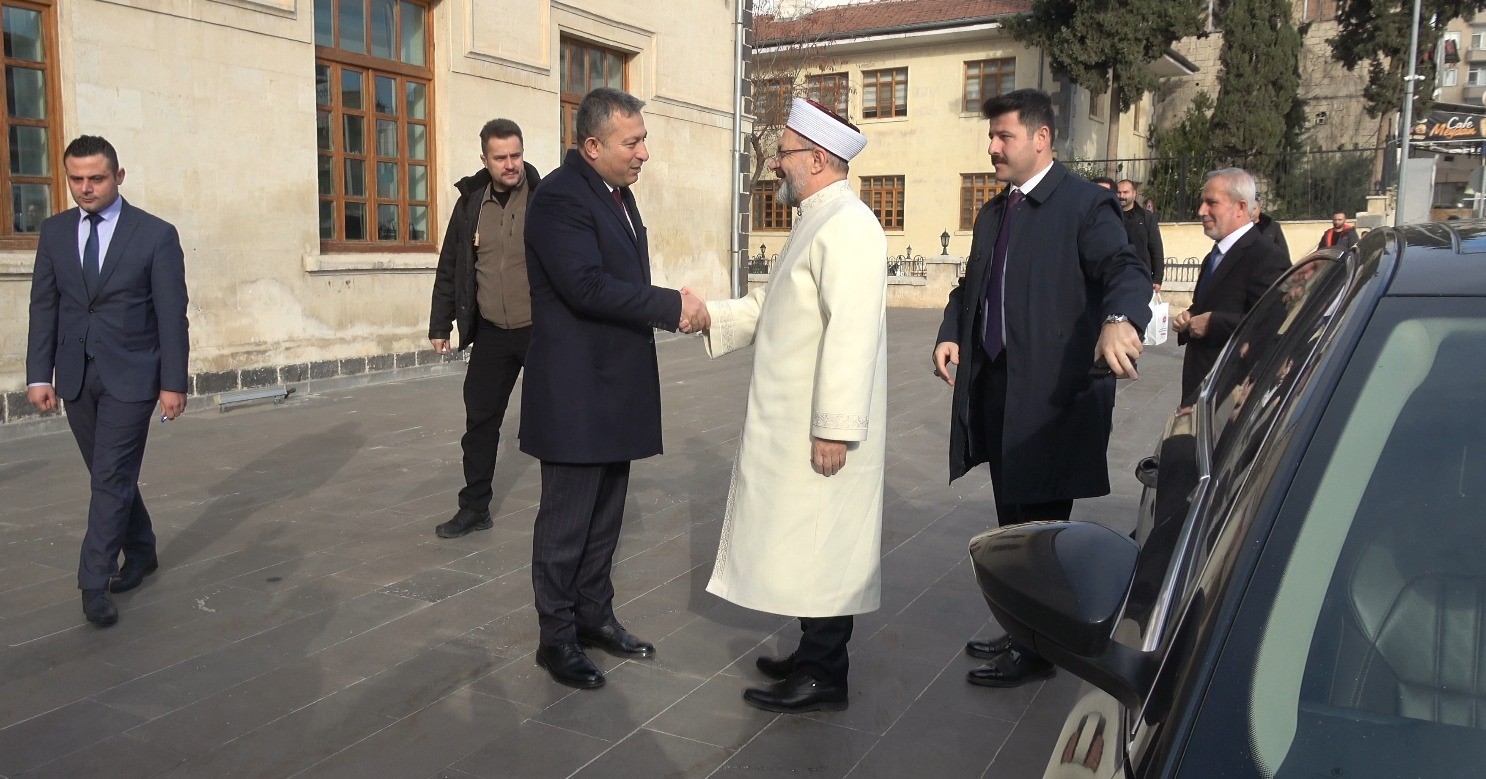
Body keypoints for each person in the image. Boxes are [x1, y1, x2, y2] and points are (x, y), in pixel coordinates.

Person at [931, 89, 1150, 689]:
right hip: (998, 389)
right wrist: (951, 332)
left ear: (1040, 138)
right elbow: (968, 289)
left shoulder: (1084, 206)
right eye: (992, 136)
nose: (993, 148)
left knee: (1043, 536)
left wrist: (1120, 319)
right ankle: (1022, 626)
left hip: (1053, 400)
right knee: (1011, 525)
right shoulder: (995, 212)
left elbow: (1124, 270)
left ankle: (1040, 649)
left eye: (1004, 137)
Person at [697, 98, 887, 714]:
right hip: (797, 419)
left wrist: (835, 427)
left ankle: (826, 673)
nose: (775, 164)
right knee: (808, 540)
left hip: (824, 426)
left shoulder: (849, 225)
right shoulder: (815, 218)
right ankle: (811, 655)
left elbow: (852, 333)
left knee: (827, 544)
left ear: (818, 158)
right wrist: (708, 315)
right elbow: (771, 306)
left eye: (783, 153)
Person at [520, 87, 709, 690]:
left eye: (644, 138)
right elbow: (585, 287)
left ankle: (594, 616)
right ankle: (556, 637)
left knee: (606, 516)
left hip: (615, 385)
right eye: (633, 141)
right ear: (593, 144)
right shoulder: (558, 198)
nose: (644, 152)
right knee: (566, 521)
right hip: (576, 391)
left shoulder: (617, 195)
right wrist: (670, 306)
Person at [26, 135, 188, 627]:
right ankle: (142, 550)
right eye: (76, 179)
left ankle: (92, 581)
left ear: (118, 176)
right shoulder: (55, 232)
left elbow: (170, 314)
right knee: (108, 475)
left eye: (95, 178)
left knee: (111, 477)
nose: (85, 188)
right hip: (75, 375)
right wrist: (39, 375)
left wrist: (173, 382)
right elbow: (44, 306)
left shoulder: (155, 234)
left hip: (134, 375)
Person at [427, 119, 542, 540]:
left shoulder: (544, 199)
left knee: (553, 419)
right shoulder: (470, 203)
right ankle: (474, 507)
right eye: (500, 157)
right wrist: (441, 322)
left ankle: (562, 508)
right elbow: (451, 266)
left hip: (539, 331)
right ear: (485, 159)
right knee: (479, 423)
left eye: (516, 154)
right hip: (492, 331)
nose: (510, 164)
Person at [1173, 168, 1291, 407]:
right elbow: (1209, 304)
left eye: (1211, 203)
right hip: (1200, 389)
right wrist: (1189, 318)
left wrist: (1213, 323)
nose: (1201, 211)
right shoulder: (1215, 255)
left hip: (1230, 398)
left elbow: (1273, 322)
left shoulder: (1266, 256)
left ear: (1240, 207)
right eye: (1201, 202)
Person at [1117, 179, 1165, 291]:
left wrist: (1157, 279)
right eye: (1119, 192)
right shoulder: (1110, 216)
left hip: (1140, 277)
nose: (1121, 196)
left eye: (1125, 192)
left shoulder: (1147, 218)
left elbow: (1156, 248)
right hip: (1115, 277)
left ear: (1134, 194)